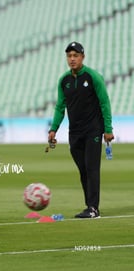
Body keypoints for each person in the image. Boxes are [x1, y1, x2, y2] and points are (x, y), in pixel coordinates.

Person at [48, 42, 114, 218]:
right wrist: (53, 129)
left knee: (92, 168)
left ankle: (93, 208)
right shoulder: (64, 81)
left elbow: (104, 103)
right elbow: (60, 107)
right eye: (69, 56)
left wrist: (108, 129)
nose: (72, 59)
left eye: (75, 55)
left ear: (82, 57)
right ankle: (89, 206)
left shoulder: (93, 77)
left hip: (93, 130)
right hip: (74, 133)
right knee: (83, 169)